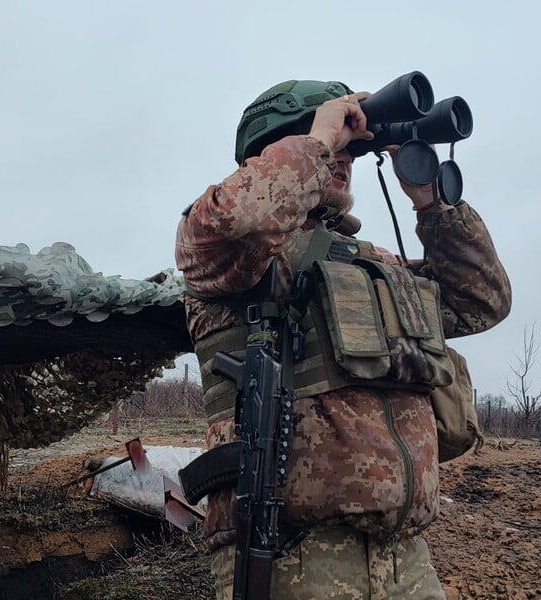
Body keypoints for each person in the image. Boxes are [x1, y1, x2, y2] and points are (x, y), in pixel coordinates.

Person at [175, 78, 511, 599]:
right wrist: (319, 140)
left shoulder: (375, 265)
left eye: (354, 147)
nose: (345, 156)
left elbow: (481, 300)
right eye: (336, 141)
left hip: (407, 560)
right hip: (293, 558)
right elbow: (240, 220)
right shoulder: (232, 256)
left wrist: (433, 204)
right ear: (272, 150)